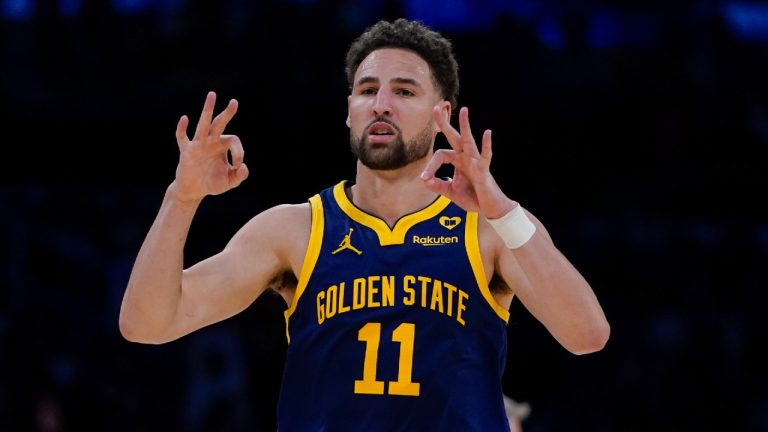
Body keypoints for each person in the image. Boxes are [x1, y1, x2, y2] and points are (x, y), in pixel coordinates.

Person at [119, 18, 610, 431]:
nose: (381, 104)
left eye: (404, 91)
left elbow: (587, 335)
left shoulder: (489, 230)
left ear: (444, 114)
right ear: (349, 112)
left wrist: (501, 209)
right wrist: (180, 199)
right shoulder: (296, 230)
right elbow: (146, 324)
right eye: (367, 90)